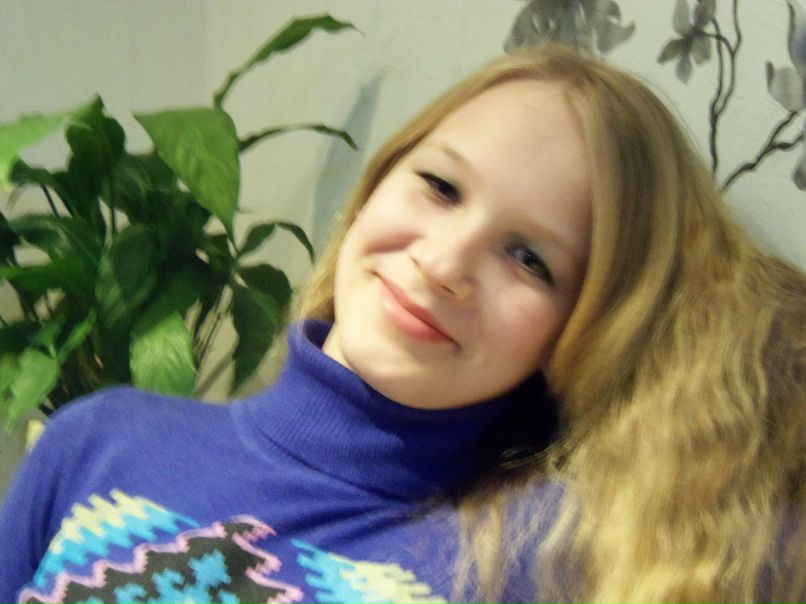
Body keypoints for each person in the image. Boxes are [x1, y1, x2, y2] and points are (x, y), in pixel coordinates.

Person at [0, 44, 803, 604]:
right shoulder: (97, 440)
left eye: (530, 259)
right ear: (379, 178)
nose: (445, 262)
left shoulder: (548, 557)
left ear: (585, 329)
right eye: (441, 187)